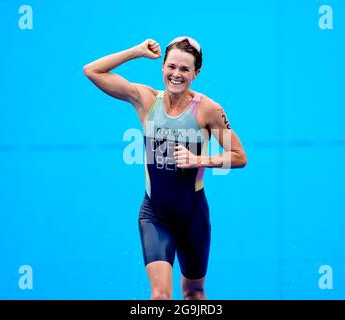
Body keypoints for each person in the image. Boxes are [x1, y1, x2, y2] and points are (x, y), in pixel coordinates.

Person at [83, 36, 247, 300]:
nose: (176, 74)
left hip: (192, 216)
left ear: (196, 72)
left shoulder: (208, 110)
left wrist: (200, 160)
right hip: (154, 214)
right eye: (171, 67)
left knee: (193, 293)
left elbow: (239, 156)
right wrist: (136, 51)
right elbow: (92, 70)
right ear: (162, 67)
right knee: (160, 296)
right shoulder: (146, 100)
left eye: (185, 69)